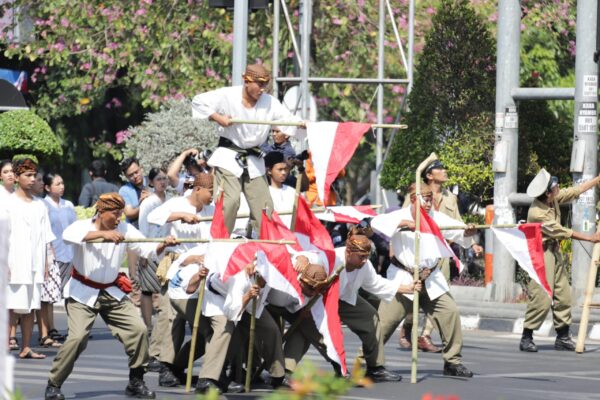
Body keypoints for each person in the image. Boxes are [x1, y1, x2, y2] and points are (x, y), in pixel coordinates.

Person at [44, 193, 177, 400]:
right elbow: (68, 236)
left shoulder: (124, 228)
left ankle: (136, 380)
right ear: (101, 212)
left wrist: (163, 244)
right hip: (82, 293)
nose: (118, 219)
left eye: (121, 214)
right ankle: (54, 383)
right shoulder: (82, 226)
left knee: (139, 330)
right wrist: (103, 235)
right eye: (115, 214)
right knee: (77, 338)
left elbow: (147, 248)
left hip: (111, 291)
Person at [371, 183, 476, 377]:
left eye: (430, 199)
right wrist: (404, 224)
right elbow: (375, 224)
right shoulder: (397, 215)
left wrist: (467, 233)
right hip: (404, 278)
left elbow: (459, 232)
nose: (429, 203)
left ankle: (452, 362)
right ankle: (369, 365)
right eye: (425, 199)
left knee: (450, 313)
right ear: (413, 199)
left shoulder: (436, 218)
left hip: (431, 277)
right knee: (384, 323)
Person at [191, 63, 304, 234]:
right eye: (259, 84)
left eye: (265, 84)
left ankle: (262, 244)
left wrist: (303, 124)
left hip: (254, 160)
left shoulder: (270, 102)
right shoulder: (228, 95)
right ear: (247, 81)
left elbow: (288, 120)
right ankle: (221, 242)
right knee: (230, 202)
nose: (262, 89)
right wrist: (218, 118)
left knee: (265, 208)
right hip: (229, 157)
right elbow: (198, 101)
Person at [399, 160, 483, 352]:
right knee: (414, 297)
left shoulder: (450, 198)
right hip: (418, 254)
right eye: (440, 169)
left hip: (441, 254)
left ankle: (425, 335)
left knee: (440, 293)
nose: (445, 171)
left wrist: (473, 242)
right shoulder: (416, 194)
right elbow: (403, 219)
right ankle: (407, 325)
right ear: (429, 175)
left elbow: (458, 224)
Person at [146, 173, 215, 388]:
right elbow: (152, 217)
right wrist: (179, 216)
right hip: (179, 265)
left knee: (206, 320)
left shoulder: (212, 211)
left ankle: (181, 365)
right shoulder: (177, 203)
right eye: (210, 191)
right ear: (197, 189)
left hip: (203, 270)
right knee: (173, 318)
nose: (213, 196)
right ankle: (165, 365)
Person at [520, 169, 600, 352]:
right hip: (541, 254)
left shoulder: (552, 199)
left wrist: (596, 180)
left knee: (563, 294)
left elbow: (574, 191)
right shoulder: (537, 211)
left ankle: (562, 337)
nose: (559, 187)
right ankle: (526, 337)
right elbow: (561, 231)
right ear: (548, 192)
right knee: (541, 296)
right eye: (555, 186)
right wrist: (590, 238)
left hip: (554, 251)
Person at [7, 158, 55, 360]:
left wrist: (45, 263)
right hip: (12, 263)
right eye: (27, 175)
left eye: (33, 175)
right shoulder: (7, 204)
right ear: (16, 177)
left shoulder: (40, 206)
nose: (32, 179)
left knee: (29, 307)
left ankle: (25, 347)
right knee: (10, 306)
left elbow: (45, 238)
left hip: (34, 264)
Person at [41, 172, 77, 346]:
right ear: (48, 188)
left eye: (62, 183)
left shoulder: (68, 204)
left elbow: (75, 227)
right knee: (51, 295)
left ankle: (74, 328)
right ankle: (50, 329)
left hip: (70, 254)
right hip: (54, 255)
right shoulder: (43, 205)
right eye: (57, 184)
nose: (62, 186)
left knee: (71, 293)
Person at [137, 168, 169, 337]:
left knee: (165, 289)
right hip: (150, 248)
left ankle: (163, 325)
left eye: (164, 178)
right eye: (158, 179)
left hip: (166, 250)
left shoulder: (169, 201)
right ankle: (148, 325)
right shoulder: (148, 202)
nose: (162, 182)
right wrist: (143, 252)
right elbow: (143, 227)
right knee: (147, 290)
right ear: (151, 182)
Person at [265, 151, 296, 228]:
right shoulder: (265, 193)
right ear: (269, 171)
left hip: (291, 235)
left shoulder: (292, 191)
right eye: (280, 169)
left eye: (285, 169)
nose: (283, 172)